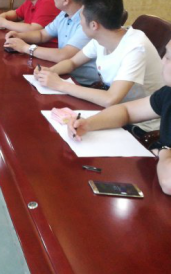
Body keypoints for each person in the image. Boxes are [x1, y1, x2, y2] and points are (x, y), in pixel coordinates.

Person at [35, 0, 163, 133]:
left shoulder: (136, 48)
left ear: (94, 25)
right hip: (115, 112)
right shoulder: (102, 37)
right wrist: (49, 72)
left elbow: (110, 98)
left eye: (81, 18)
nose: (80, 22)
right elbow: (72, 63)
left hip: (141, 124)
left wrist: (60, 84)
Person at [69, 39, 171, 195]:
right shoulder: (167, 93)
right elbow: (126, 111)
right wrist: (89, 123)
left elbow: (168, 182)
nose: (162, 61)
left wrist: (163, 150)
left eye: (168, 57)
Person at [4, 0, 98, 85]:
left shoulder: (87, 22)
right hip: (62, 74)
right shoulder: (64, 14)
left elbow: (63, 55)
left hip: (83, 83)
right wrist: (19, 36)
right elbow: (42, 34)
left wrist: (25, 48)